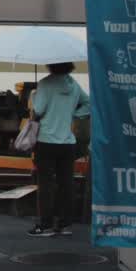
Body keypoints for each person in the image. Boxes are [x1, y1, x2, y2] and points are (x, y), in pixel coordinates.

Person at [28, 62, 90, 237]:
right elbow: (88, 104)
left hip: (46, 140)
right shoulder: (73, 84)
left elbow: (38, 110)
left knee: (45, 183)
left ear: (51, 65)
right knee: (66, 183)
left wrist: (34, 97)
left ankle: (45, 225)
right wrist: (74, 114)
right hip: (67, 142)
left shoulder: (45, 83)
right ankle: (64, 225)